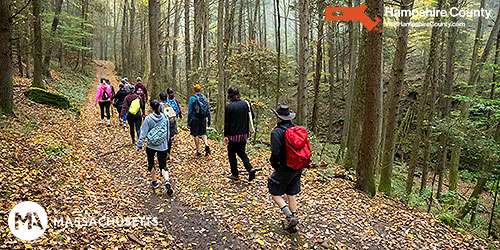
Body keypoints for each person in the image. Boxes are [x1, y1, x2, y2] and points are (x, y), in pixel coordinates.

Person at [268, 104, 302, 233]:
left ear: (278, 117)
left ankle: (289, 217)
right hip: (298, 166)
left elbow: (275, 152)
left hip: (285, 167)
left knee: (275, 193)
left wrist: (275, 166)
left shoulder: (277, 132)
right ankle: (294, 220)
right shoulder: (296, 130)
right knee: (291, 193)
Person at [136, 100, 174, 195]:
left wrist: (139, 145)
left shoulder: (148, 119)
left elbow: (143, 133)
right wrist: (167, 144)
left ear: (151, 107)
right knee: (163, 165)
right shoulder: (165, 118)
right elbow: (167, 133)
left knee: (151, 163)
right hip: (163, 146)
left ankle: (155, 182)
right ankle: (167, 181)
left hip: (151, 146)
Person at [224, 87, 256, 181]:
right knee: (241, 152)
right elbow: (252, 117)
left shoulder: (229, 106)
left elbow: (227, 123)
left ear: (230, 95)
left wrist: (226, 135)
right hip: (244, 134)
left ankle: (235, 174)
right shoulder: (245, 104)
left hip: (233, 136)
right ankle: (250, 169)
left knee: (231, 154)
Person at [188, 84, 211, 156]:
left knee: (195, 134)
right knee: (203, 132)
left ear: (194, 90)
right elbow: (208, 109)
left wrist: (189, 121)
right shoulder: (204, 98)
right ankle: (206, 144)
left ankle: (198, 150)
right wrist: (209, 119)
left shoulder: (192, 98)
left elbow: (190, 110)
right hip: (203, 118)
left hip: (195, 118)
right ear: (200, 90)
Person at [159, 91, 179, 160]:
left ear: (160, 98)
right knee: (169, 139)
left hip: (164, 125)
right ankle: (168, 153)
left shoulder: (159, 105)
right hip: (171, 125)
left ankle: (164, 153)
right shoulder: (169, 104)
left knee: (163, 139)